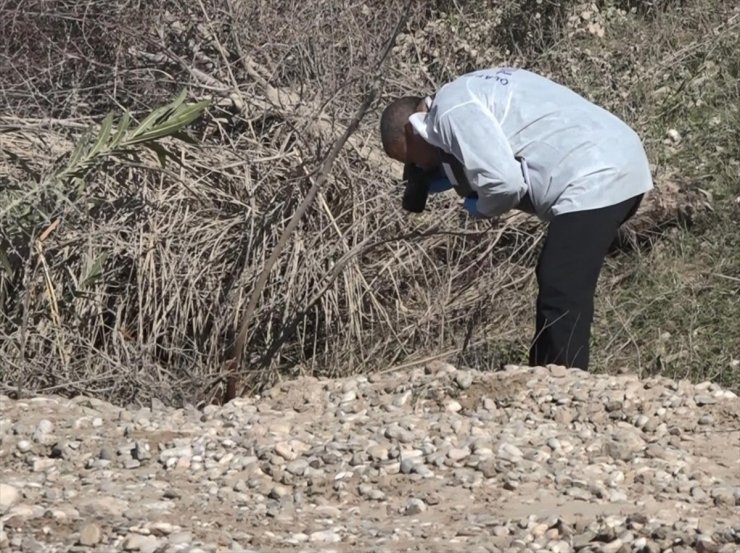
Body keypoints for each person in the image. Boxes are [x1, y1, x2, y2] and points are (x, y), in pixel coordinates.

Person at [379, 67, 653, 371]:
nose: (418, 167)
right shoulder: (467, 91)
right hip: (612, 157)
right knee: (555, 277)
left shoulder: (449, 111)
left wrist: (481, 207)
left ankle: (568, 388)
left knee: (562, 284)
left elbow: (504, 184)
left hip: (598, 172)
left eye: (410, 159)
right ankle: (544, 378)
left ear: (410, 129)